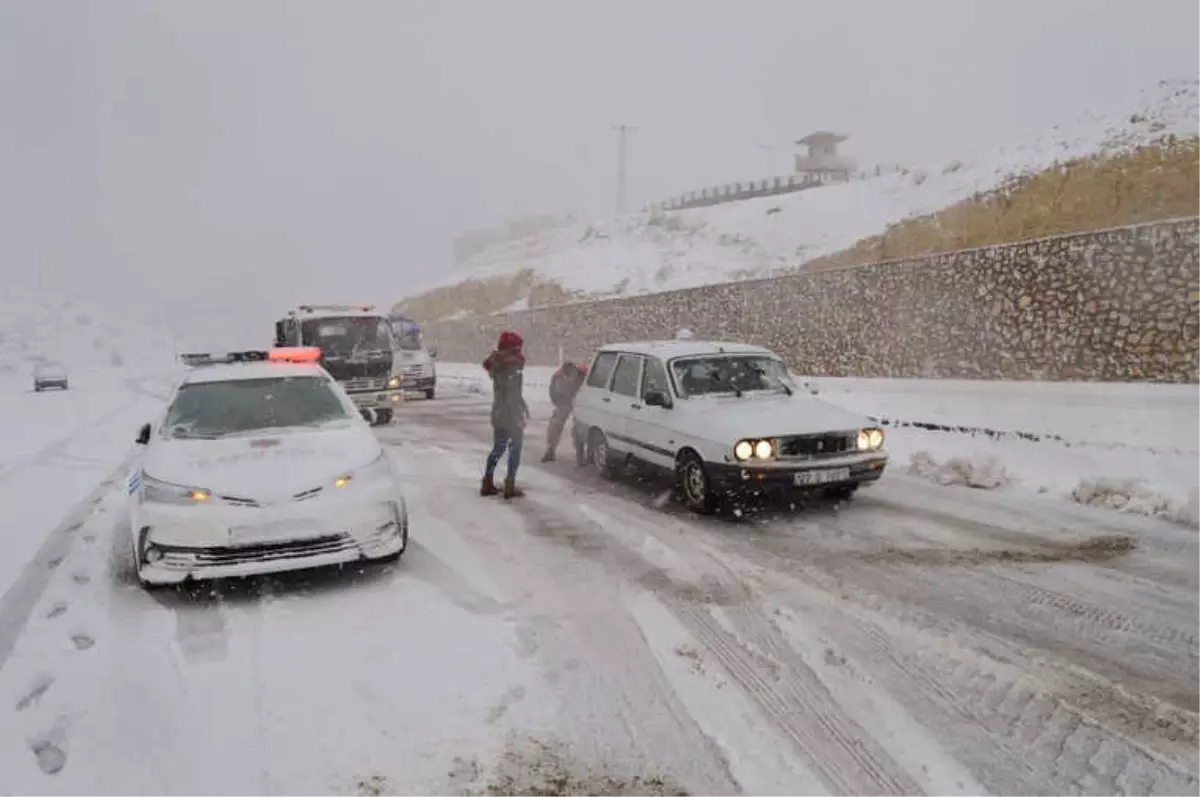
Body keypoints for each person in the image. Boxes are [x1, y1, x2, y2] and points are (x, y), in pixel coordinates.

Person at [481, 330, 530, 499]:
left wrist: (521, 403)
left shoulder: (499, 363)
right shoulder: (512, 365)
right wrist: (518, 414)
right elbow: (512, 393)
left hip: (499, 411)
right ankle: (510, 485)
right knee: (515, 448)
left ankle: (487, 481)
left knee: (498, 447)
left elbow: (506, 390)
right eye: (518, 347)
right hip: (510, 413)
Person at [541, 361, 588, 463]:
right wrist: (561, 404)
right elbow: (553, 393)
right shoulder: (557, 378)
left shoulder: (584, 374)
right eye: (568, 377)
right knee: (555, 423)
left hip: (581, 402)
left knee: (579, 426)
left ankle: (580, 453)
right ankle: (550, 449)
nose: (570, 378)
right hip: (564, 402)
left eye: (572, 376)